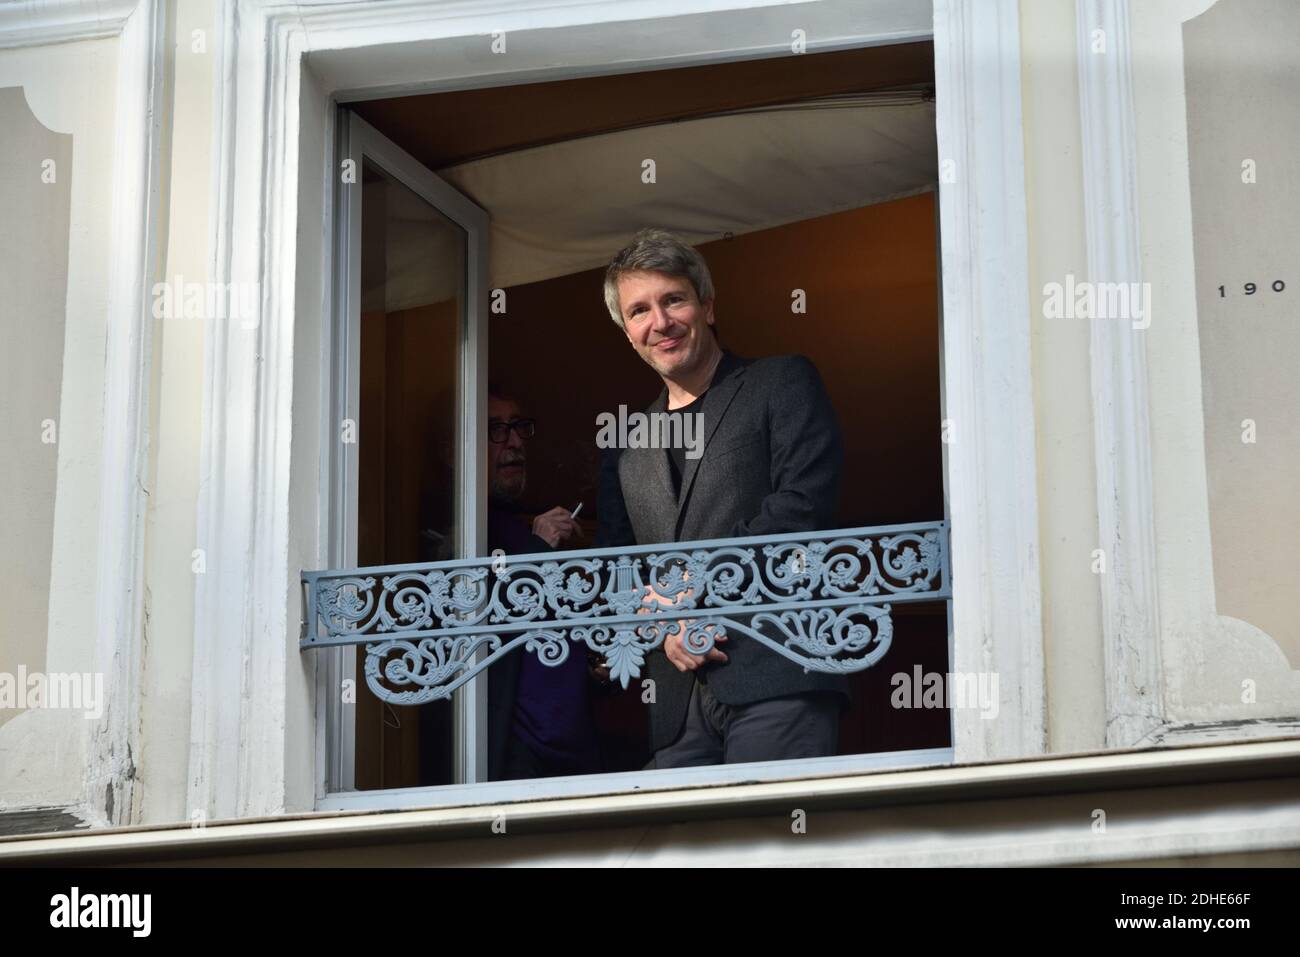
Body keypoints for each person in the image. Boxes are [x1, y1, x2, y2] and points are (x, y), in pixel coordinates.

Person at [597, 228, 847, 768]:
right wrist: (665, 629)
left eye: (673, 300)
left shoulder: (781, 381)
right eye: (639, 311)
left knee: (770, 847)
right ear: (628, 333)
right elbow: (619, 565)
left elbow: (802, 506)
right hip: (675, 698)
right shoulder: (625, 445)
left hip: (778, 666)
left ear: (707, 307)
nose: (659, 322)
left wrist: (692, 589)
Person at [484, 389, 601, 780]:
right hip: (518, 755)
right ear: (455, 451)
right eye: (495, 429)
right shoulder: (460, 528)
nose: (514, 442)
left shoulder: (515, 527)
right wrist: (537, 547)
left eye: (517, 427)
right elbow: (485, 619)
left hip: (574, 749)